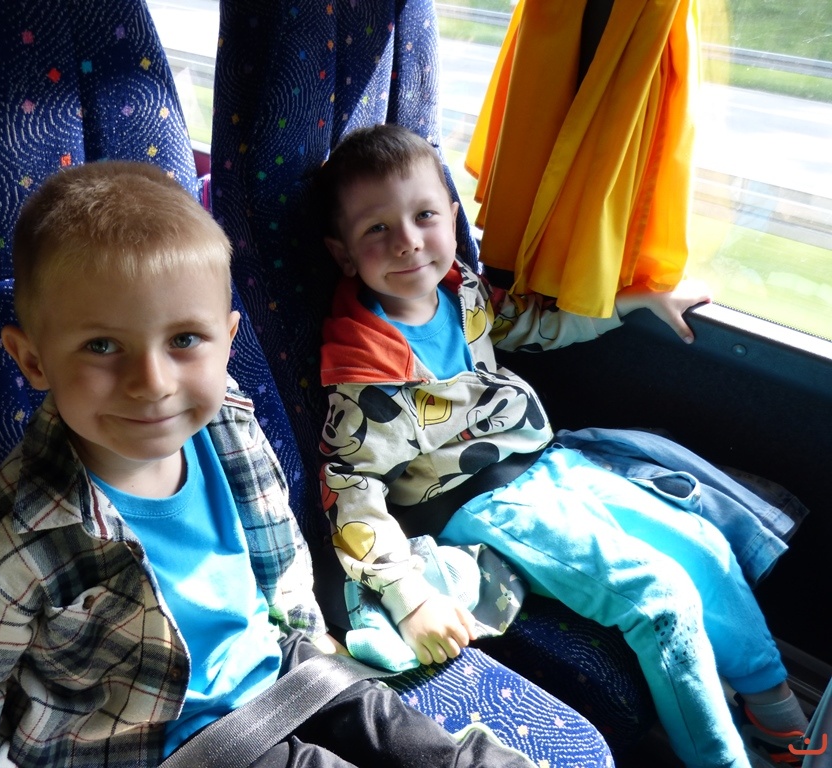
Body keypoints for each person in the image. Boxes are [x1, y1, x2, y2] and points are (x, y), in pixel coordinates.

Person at [0, 160, 538, 768]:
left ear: (227, 341)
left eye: (185, 339)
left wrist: (306, 635)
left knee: (415, 740)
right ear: (33, 360)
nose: (152, 383)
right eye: (102, 346)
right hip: (163, 745)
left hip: (279, 672)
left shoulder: (228, 428)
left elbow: (277, 560)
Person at [313, 124, 809, 768]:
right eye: (377, 229)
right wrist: (411, 597)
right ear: (344, 254)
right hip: (478, 501)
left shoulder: (458, 290)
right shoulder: (363, 377)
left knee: (704, 547)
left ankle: (776, 716)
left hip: (546, 462)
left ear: (451, 217)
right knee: (662, 598)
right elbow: (350, 492)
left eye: (424, 216)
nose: (407, 240)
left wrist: (633, 301)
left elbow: (529, 323)